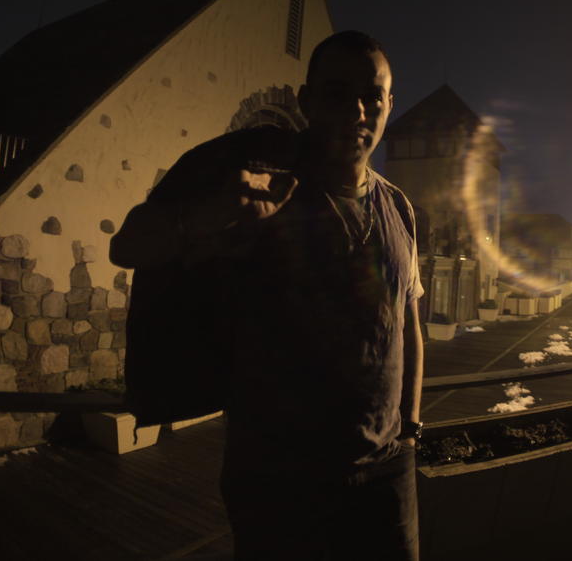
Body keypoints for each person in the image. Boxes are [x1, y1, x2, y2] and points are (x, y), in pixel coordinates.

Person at [110, 30, 424, 560]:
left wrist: (410, 430)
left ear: (390, 104)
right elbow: (127, 246)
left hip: (386, 472)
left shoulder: (398, 208)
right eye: (337, 92)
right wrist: (210, 214)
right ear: (305, 101)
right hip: (278, 478)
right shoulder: (261, 180)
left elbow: (407, 324)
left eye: (372, 95)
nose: (357, 110)